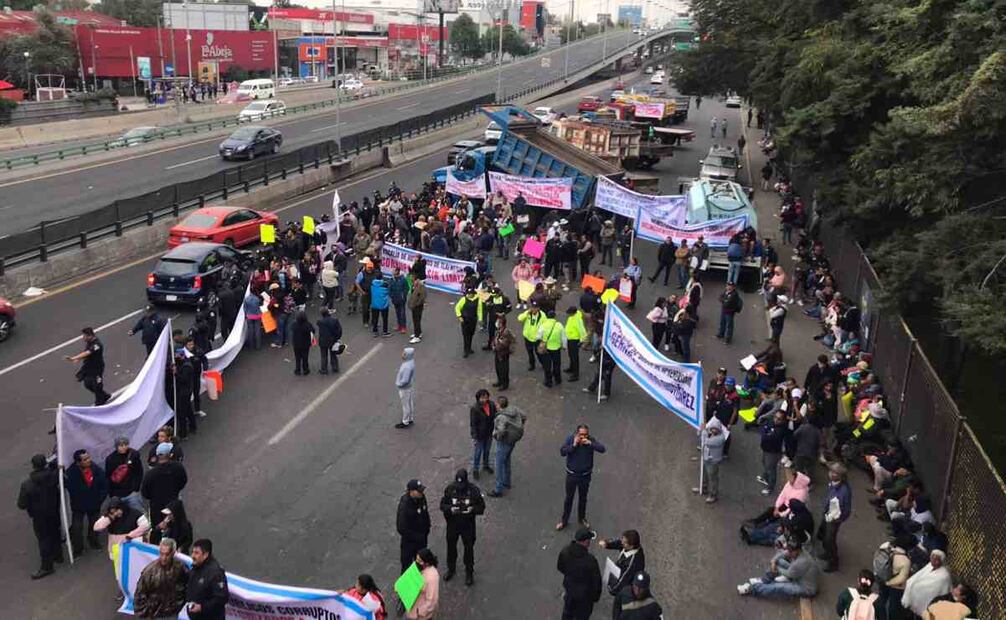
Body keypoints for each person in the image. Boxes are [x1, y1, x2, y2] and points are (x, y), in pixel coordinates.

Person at [18, 454, 63, 579]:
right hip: (53, 511)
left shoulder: (27, 485)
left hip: (39, 516)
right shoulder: (53, 476)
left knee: (44, 540)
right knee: (55, 532)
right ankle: (58, 556)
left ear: (33, 466)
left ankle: (47, 566)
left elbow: (21, 504)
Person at [440, 469, 485, 586]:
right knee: (451, 548)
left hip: (468, 525)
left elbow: (481, 507)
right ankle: (451, 568)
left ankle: (469, 572)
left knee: (469, 549)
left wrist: (472, 509)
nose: (460, 488)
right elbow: (442, 505)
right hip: (453, 524)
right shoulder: (450, 489)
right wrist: (450, 509)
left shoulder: (473, 490)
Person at [557, 424, 606, 530]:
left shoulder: (590, 440)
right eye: (581, 435)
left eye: (585, 435)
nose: (583, 437)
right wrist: (574, 445)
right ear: (576, 434)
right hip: (572, 475)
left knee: (583, 498)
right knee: (569, 498)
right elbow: (562, 452)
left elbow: (602, 449)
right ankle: (564, 521)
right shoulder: (571, 439)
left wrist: (591, 443)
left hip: (585, 476)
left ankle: (582, 518)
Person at [737, 539, 820, 599]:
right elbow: (783, 553)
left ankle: (752, 589)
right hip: (798, 575)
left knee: (779, 587)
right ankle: (764, 580)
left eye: (791, 551)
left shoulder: (801, 562)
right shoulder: (799, 551)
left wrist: (776, 568)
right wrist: (773, 562)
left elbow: (789, 574)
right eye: (789, 550)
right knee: (779, 561)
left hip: (805, 588)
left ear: (797, 550)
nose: (789, 553)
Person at [134, 537, 190, 619]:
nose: (163, 558)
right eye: (161, 553)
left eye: (167, 554)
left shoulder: (180, 567)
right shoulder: (149, 572)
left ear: (173, 553)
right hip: (155, 615)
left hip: (174, 612)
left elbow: (188, 585)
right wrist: (145, 616)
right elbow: (139, 596)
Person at [66, 449, 108, 556]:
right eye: (85, 459)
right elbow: (68, 487)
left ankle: (93, 541)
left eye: (88, 458)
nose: (89, 460)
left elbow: (104, 484)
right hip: (78, 506)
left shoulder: (96, 469)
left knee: (94, 525)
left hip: (94, 504)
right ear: (78, 462)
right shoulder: (71, 473)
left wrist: (100, 499)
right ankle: (78, 548)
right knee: (77, 527)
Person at [142, 443, 188, 537]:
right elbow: (183, 480)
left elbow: (145, 492)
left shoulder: (151, 474)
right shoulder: (178, 467)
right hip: (173, 503)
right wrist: (176, 490)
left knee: (158, 530)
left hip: (156, 507)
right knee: (177, 528)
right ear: (170, 454)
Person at [557, 527, 603, 620]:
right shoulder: (590, 560)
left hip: (570, 591)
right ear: (586, 541)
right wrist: (595, 597)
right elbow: (596, 582)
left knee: (567, 613)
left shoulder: (565, 551)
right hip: (584, 598)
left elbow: (560, 567)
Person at [93, 497, 150, 569]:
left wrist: (130, 535)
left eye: (117, 510)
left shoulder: (134, 513)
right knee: (119, 570)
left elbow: (145, 525)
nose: (116, 513)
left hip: (132, 546)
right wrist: (110, 518)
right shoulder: (109, 517)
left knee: (134, 568)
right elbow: (96, 527)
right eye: (113, 512)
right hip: (116, 547)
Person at [598, 530, 646, 613]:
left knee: (620, 608)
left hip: (627, 587)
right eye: (622, 540)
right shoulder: (629, 546)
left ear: (631, 546)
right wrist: (607, 544)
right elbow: (619, 543)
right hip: (621, 573)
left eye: (625, 543)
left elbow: (623, 580)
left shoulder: (633, 563)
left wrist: (612, 588)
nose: (622, 543)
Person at [817, 463, 852, 573]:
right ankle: (827, 553)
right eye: (831, 471)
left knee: (830, 540)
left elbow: (844, 509)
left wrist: (837, 518)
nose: (831, 474)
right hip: (828, 514)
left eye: (834, 472)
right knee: (824, 535)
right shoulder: (834, 484)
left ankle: (833, 562)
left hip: (834, 518)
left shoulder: (843, 491)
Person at [489, 396, 526, 497]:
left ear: (499, 405)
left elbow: (500, 431)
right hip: (512, 440)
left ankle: (498, 489)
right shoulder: (514, 409)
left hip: (504, 442)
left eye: (496, 404)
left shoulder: (501, 417)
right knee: (506, 460)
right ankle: (506, 482)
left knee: (499, 465)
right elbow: (524, 416)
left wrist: (497, 437)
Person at [66, 327, 111, 405]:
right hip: (88, 367)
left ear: (89, 336)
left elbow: (88, 352)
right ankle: (104, 395)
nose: (83, 337)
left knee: (97, 385)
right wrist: (78, 359)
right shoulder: (89, 343)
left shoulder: (97, 344)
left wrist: (75, 357)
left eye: (84, 336)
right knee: (87, 383)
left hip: (97, 368)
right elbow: (85, 352)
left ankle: (99, 403)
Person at [186, 539, 229, 620]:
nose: (192, 556)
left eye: (196, 553)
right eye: (193, 552)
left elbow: (222, 598)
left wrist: (202, 607)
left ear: (205, 555)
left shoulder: (215, 573)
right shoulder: (195, 568)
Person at [901, 550, 952, 617]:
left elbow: (934, 591)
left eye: (936, 559)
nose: (933, 560)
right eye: (932, 557)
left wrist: (918, 588)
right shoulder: (929, 566)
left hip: (929, 604)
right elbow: (917, 576)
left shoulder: (944, 575)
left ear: (941, 561)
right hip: (914, 600)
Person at [396, 479, 431, 574]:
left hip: (421, 540)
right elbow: (401, 528)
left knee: (420, 566)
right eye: (419, 491)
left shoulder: (421, 498)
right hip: (409, 543)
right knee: (407, 567)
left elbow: (425, 513)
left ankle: (419, 585)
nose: (421, 492)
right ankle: (405, 588)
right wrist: (416, 537)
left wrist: (427, 528)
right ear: (411, 492)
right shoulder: (405, 505)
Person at [104, 436, 145, 514]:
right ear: (116, 446)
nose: (123, 447)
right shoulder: (110, 459)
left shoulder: (134, 455)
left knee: (139, 514)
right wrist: (112, 494)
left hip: (132, 493)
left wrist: (136, 488)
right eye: (120, 445)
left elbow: (139, 472)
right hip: (117, 494)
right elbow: (108, 477)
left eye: (125, 444)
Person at [693, 418, 726, 503]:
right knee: (704, 475)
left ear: (718, 429)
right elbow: (700, 435)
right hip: (706, 458)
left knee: (713, 478)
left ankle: (713, 495)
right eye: (712, 428)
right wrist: (700, 429)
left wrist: (703, 431)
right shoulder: (712, 433)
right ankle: (703, 488)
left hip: (713, 461)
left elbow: (705, 441)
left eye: (715, 428)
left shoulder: (720, 438)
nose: (712, 430)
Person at [469, 389, 497, 480]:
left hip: (489, 433)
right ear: (478, 398)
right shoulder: (475, 408)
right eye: (482, 398)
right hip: (480, 435)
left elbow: (495, 416)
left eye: (486, 397)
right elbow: (473, 424)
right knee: (478, 453)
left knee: (487, 451)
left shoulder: (492, 405)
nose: (484, 400)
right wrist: (474, 437)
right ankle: (476, 469)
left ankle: (486, 465)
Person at [406, 549, 440, 620]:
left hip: (421, 616)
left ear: (427, 563)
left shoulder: (432, 577)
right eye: (416, 559)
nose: (416, 562)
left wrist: (420, 611)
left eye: (420, 561)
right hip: (412, 608)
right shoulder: (418, 566)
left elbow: (432, 600)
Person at [537, 309, 565, 388]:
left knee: (547, 366)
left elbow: (538, 336)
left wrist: (542, 340)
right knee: (556, 364)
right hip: (556, 348)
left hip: (546, 349)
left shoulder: (543, 325)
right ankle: (558, 379)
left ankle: (548, 381)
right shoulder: (559, 325)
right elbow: (563, 337)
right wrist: (564, 346)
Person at [455, 287, 483, 357]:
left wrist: (480, 319)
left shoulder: (477, 300)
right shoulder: (463, 299)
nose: (469, 295)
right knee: (465, 335)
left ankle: (469, 348)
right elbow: (457, 308)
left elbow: (479, 309)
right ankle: (465, 350)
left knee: (471, 334)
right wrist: (459, 317)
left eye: (470, 294)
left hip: (473, 320)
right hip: (465, 320)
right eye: (468, 293)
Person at [316, 307, 343, 375]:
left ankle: (324, 369)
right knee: (333, 354)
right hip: (333, 340)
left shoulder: (320, 321)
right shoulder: (335, 320)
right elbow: (339, 330)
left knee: (324, 355)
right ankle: (335, 367)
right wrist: (337, 338)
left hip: (323, 341)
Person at [492, 315, 516, 390]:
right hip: (498, 352)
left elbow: (505, 343)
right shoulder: (498, 331)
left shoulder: (506, 332)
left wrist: (496, 345)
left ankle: (504, 384)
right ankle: (500, 381)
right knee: (498, 368)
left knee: (504, 369)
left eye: (498, 322)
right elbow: (495, 339)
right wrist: (493, 344)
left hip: (503, 353)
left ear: (501, 323)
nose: (496, 323)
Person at [564, 306, 587, 382]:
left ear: (573, 313)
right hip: (570, 339)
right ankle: (571, 368)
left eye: (569, 313)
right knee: (570, 355)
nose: (568, 314)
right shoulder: (571, 317)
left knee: (574, 357)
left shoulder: (578, 320)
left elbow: (582, 331)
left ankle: (575, 375)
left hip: (574, 340)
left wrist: (582, 341)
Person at [395, 347, 416, 429]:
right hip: (409, 387)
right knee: (409, 403)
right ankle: (410, 418)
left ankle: (405, 421)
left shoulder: (407, 366)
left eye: (404, 353)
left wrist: (399, 384)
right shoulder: (410, 362)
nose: (402, 354)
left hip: (404, 388)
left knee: (405, 405)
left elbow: (405, 380)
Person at [291, 311, 315, 376]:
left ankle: (297, 370)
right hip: (305, 343)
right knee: (305, 357)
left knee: (297, 357)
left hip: (296, 343)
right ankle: (305, 369)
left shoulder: (294, 324)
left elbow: (291, 329)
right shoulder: (307, 325)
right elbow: (313, 330)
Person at [389, 267, 409, 334]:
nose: (392, 271)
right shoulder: (392, 279)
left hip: (401, 300)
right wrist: (391, 296)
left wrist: (403, 296)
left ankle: (403, 327)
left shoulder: (403, 280)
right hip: (395, 299)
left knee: (402, 313)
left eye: (394, 270)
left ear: (397, 271)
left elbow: (407, 288)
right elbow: (390, 289)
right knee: (397, 313)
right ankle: (399, 326)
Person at [408, 276, 427, 344]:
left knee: (417, 321)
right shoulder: (414, 284)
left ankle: (417, 337)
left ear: (416, 278)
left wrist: (417, 304)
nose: (411, 279)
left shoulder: (421, 286)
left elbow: (422, 297)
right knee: (415, 320)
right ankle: (419, 333)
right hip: (414, 306)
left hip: (418, 306)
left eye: (412, 278)